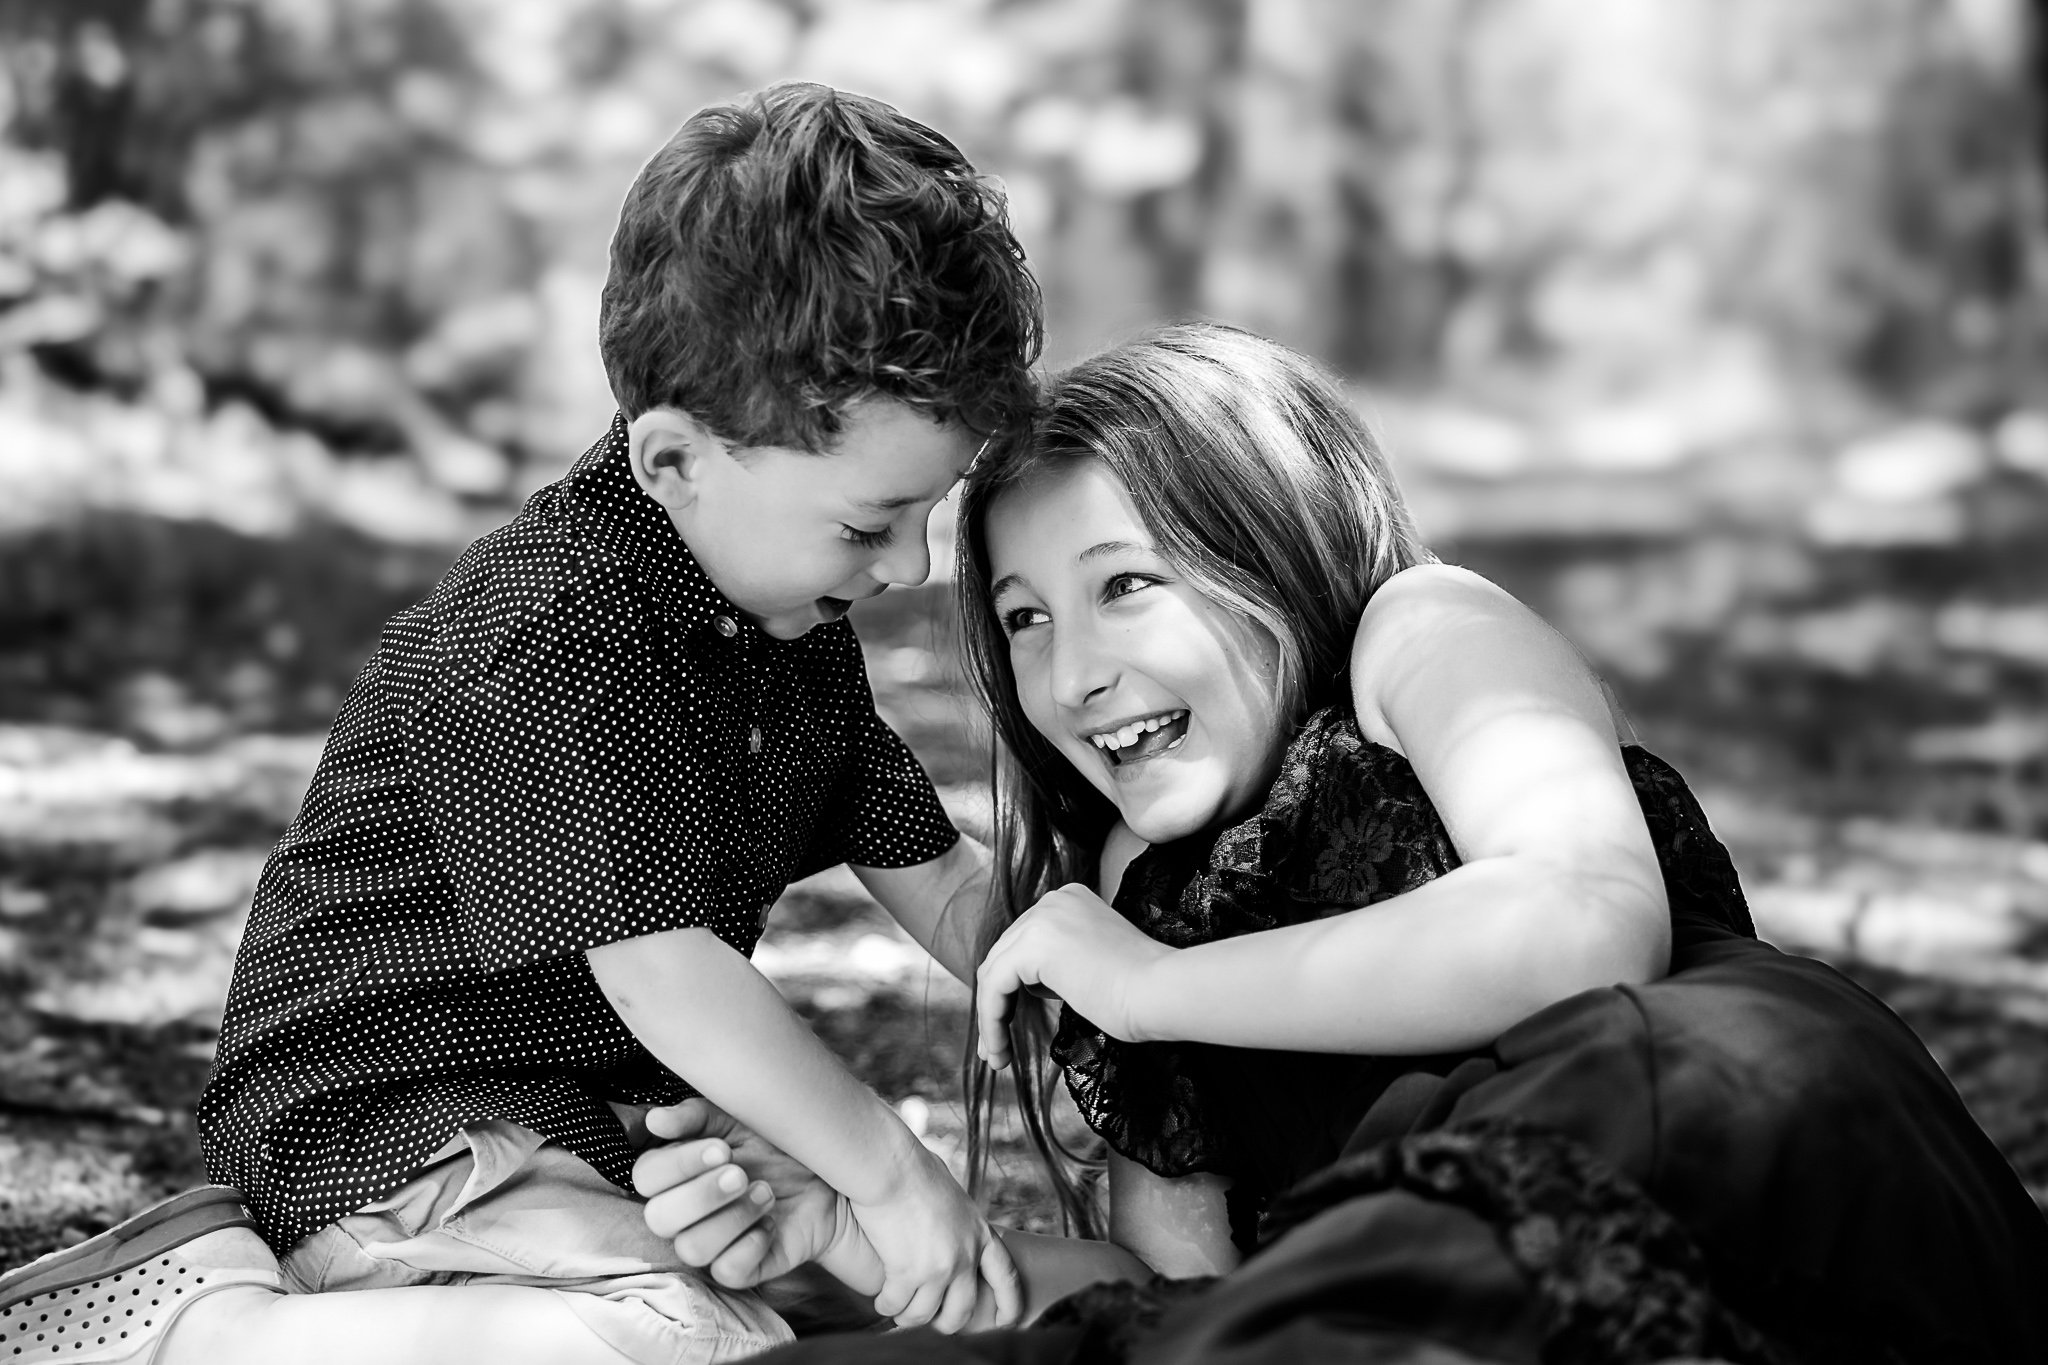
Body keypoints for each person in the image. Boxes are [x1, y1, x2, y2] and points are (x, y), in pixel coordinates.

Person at [631, 323, 2048, 1363]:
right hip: (1401, 1292)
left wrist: (1148, 986)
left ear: (1269, 549)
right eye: (1025, 619)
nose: (1076, 677)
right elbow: (1177, 1293)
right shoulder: (1133, 896)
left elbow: (1585, 926)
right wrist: (870, 1241)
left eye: (1126, 584)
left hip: (1699, 1122)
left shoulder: (1415, 637)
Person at [0, 82, 1044, 1365]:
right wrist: (887, 1167)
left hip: (592, 1126)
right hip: (394, 1125)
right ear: (675, 462)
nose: (912, 565)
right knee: (685, 1343)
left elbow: (937, 881)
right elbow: (658, 964)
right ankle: (192, 1331)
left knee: (958, 1302)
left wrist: (1085, 990)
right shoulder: (548, 633)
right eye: (865, 523)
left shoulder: (783, 621)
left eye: (924, 511)